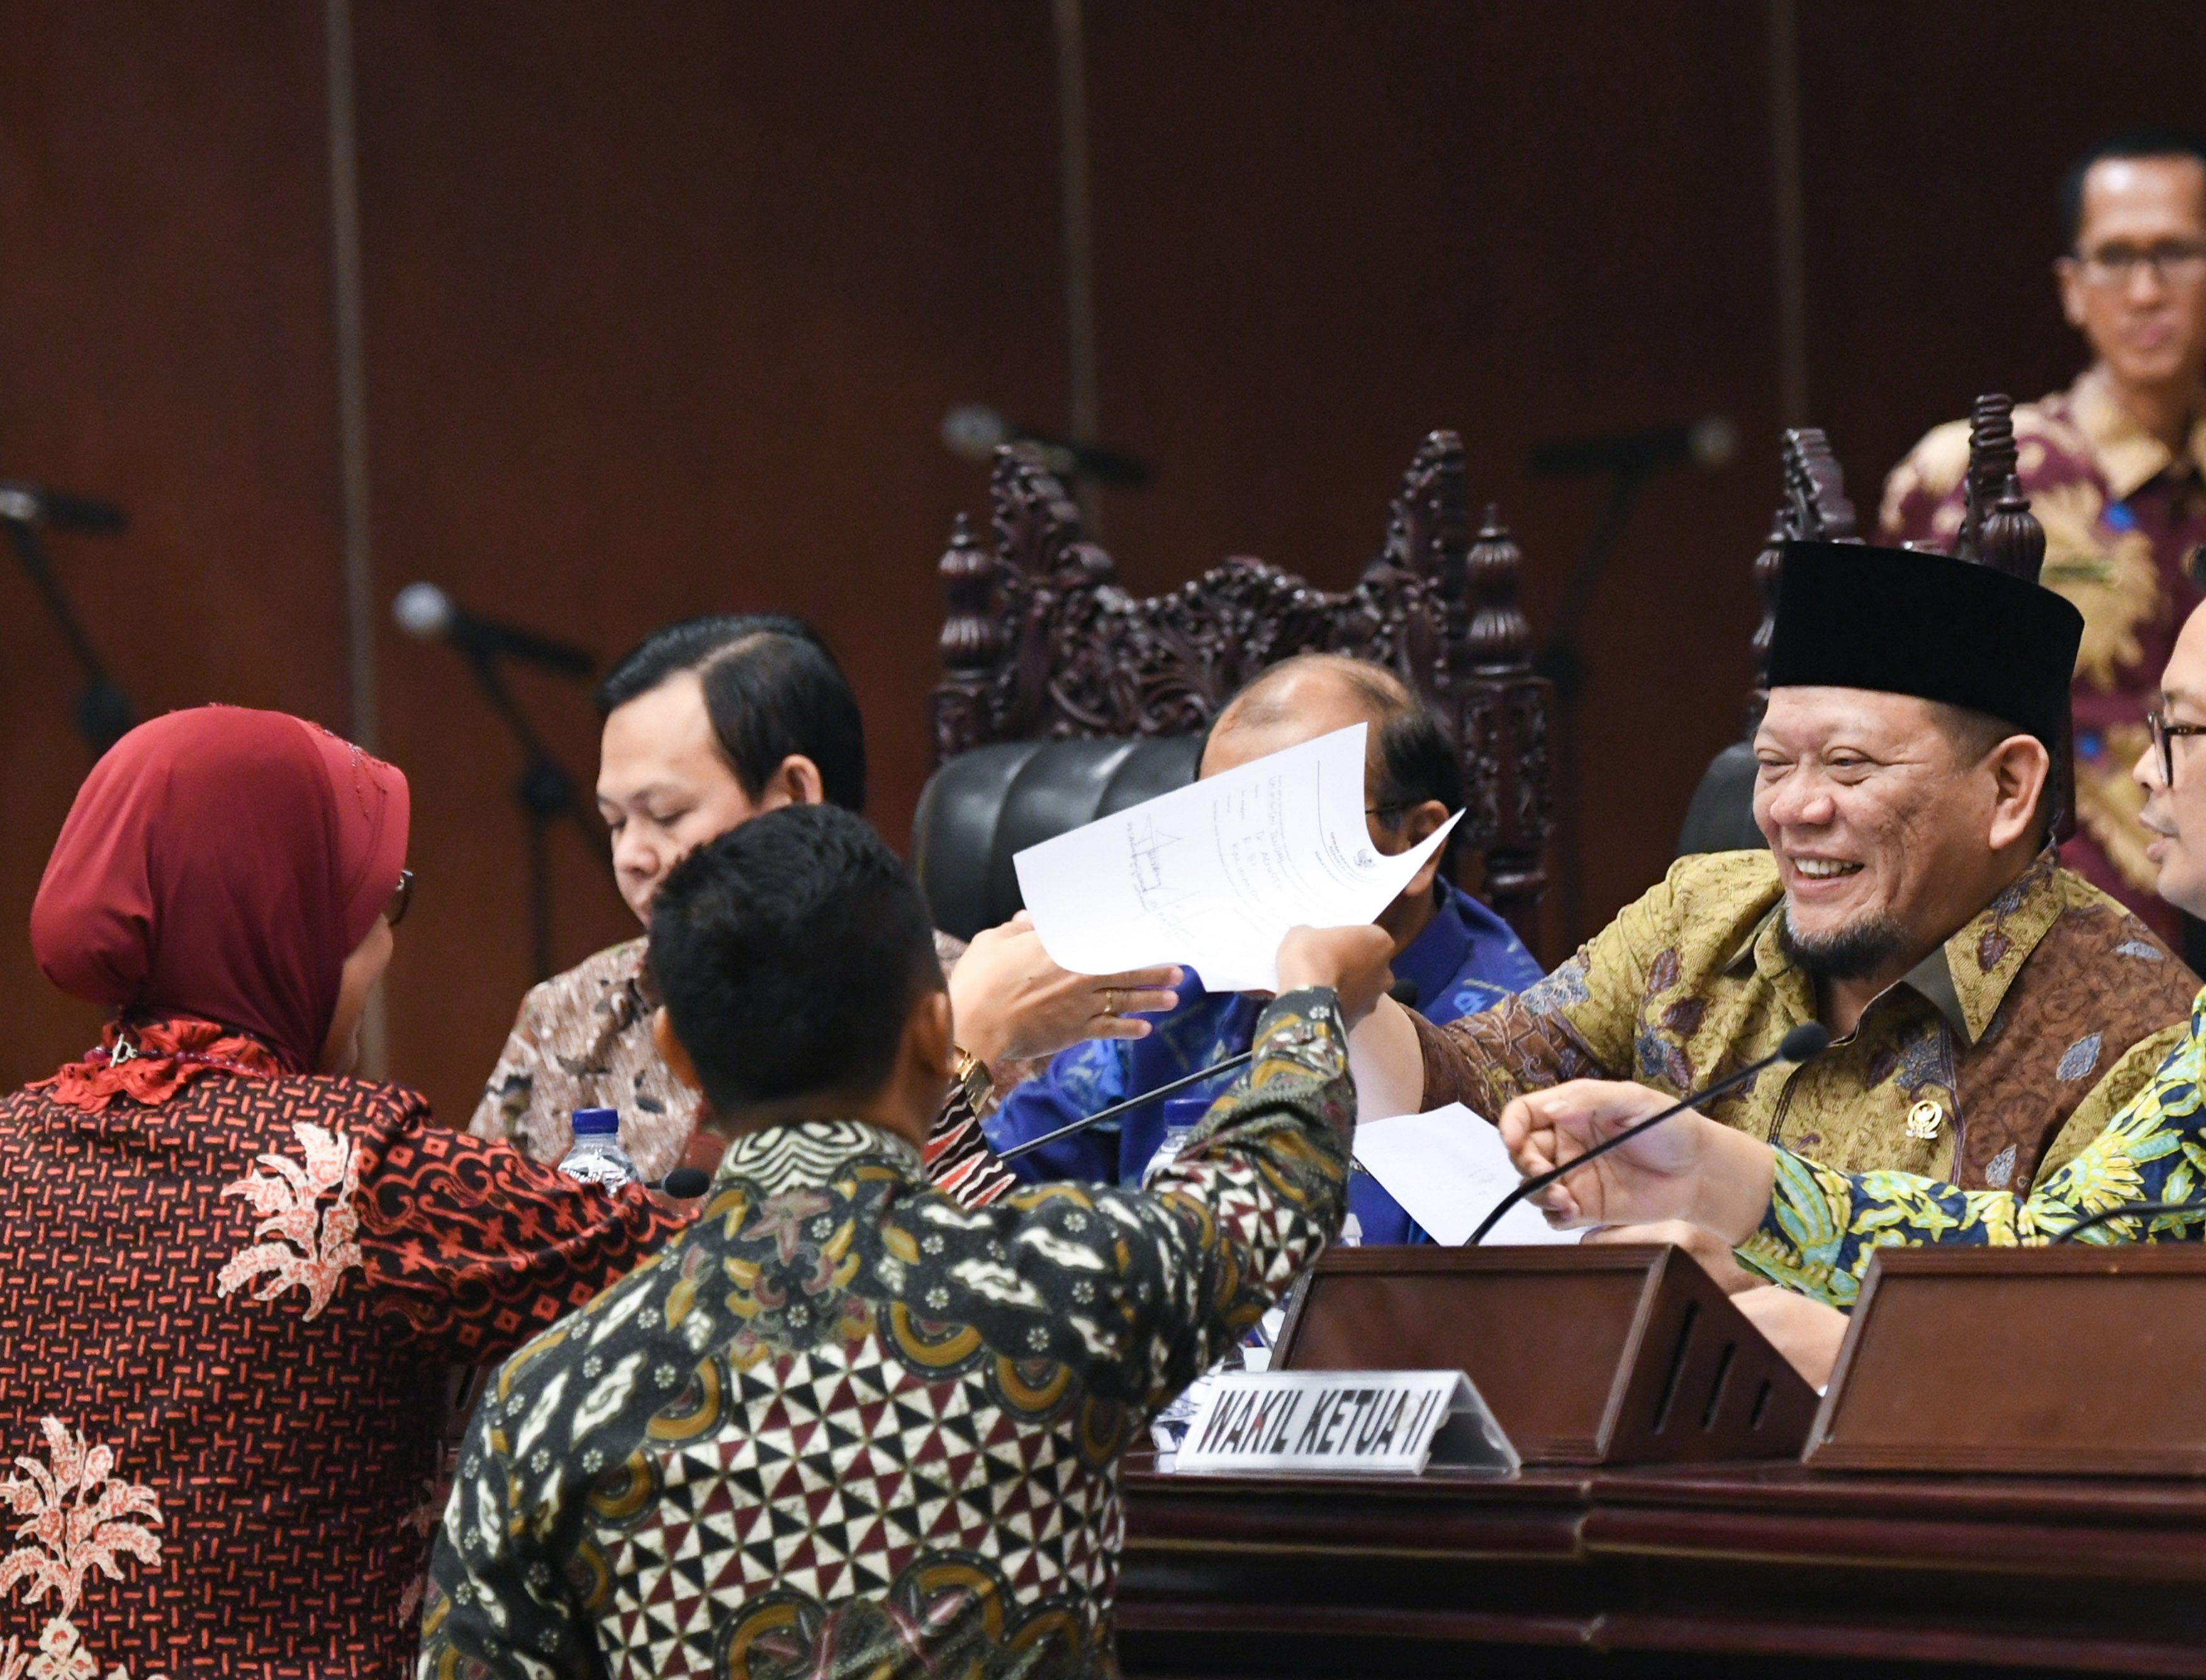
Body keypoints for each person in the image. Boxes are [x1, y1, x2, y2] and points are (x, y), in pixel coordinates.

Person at [1501, 517, 2206, 1408]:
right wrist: (1725, 1177)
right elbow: (2073, 1244)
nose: (2144, 774)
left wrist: (1871, 1360)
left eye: (2183, 732)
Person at [418, 805, 1385, 1674]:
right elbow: (1272, 1183)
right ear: (933, 1032)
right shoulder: (1061, 1285)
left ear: (678, 1055)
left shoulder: (546, 1400)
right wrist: (1307, 1001)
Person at [0, 707, 685, 1674]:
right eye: (370, 905)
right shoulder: (351, 1176)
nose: (386, 947)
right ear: (276, 916)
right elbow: (724, 1267)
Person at [1352, 541, 2202, 1201]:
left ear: (2008, 789)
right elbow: (1473, 1083)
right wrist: (1346, 999)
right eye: (1771, 765)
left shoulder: (2139, 1038)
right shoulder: (1698, 917)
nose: (1792, 810)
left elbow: (2054, 1340)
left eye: (1848, 766)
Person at [471, 613, 1180, 1200]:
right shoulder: (570, 1008)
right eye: (615, 822)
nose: (631, 854)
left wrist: (963, 1054)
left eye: (665, 815)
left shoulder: (1006, 1005)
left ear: (795, 795)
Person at [985, 653, 1542, 1241]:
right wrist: (972, 1039)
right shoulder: (1176, 991)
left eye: (1283, 835)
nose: (1239, 879)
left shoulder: (1513, 1040)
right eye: (1215, 835)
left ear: (1416, 843)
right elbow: (985, 1195)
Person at [1881, 126, 2206, 946]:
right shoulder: (1975, 477)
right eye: (2115, 258)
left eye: (2176, 254)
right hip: (2030, 927)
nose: (2146, 291)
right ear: (2071, 287)